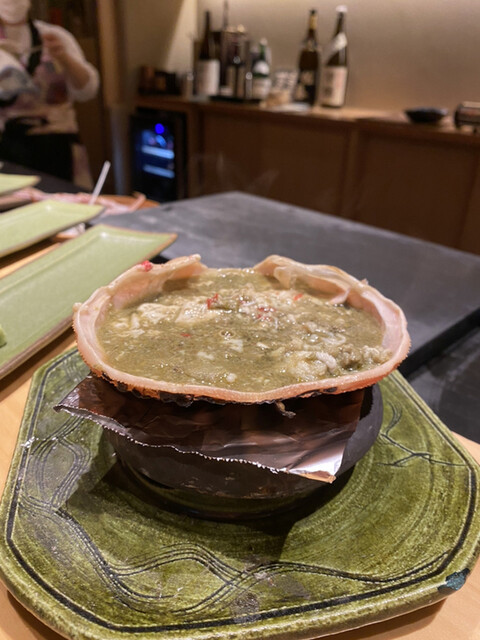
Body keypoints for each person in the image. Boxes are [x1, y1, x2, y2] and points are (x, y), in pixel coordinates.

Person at [0, 0, 99, 186]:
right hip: (10, 145)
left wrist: (64, 58)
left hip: (58, 143)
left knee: (67, 200)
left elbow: (88, 91)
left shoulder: (54, 36)